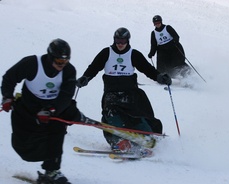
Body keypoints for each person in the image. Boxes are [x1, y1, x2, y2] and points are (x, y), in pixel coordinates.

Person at [1, 38, 92, 184]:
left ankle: (52, 171)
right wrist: (7, 97)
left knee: (57, 131)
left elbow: (66, 95)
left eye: (65, 62)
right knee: (23, 148)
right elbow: (9, 78)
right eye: (58, 62)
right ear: (50, 57)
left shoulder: (69, 70)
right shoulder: (32, 64)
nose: (61, 65)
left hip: (54, 108)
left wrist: (52, 110)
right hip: (29, 107)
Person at [76, 27, 171, 153]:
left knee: (137, 115)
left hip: (131, 92)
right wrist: (85, 78)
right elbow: (94, 67)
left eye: (123, 41)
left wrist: (160, 77)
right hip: (111, 93)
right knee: (111, 113)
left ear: (128, 40)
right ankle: (119, 141)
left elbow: (147, 69)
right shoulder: (106, 53)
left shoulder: (133, 54)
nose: (120, 44)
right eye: (118, 41)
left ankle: (148, 137)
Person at [148, 15, 191, 79]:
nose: (157, 24)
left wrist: (174, 42)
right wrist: (151, 53)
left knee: (178, 63)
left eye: (158, 22)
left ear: (161, 22)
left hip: (173, 48)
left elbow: (176, 36)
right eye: (155, 23)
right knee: (162, 67)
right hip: (162, 51)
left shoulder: (167, 28)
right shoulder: (154, 33)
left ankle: (189, 75)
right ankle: (164, 78)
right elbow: (153, 45)